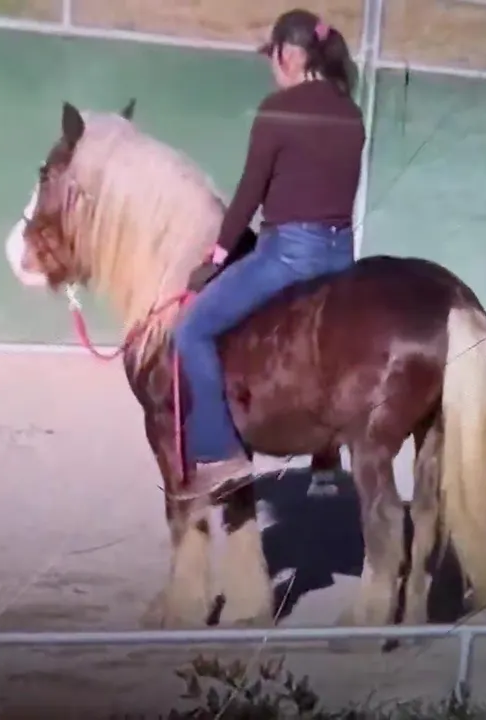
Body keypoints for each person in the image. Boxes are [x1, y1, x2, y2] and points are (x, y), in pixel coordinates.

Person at [173, 8, 366, 499]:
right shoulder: (351, 112)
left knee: (192, 330)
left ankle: (221, 453)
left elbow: (249, 194)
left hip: (289, 255)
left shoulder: (278, 110)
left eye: (273, 57)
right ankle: (327, 460)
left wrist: (216, 258)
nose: (271, 67)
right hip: (341, 256)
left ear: (290, 55)